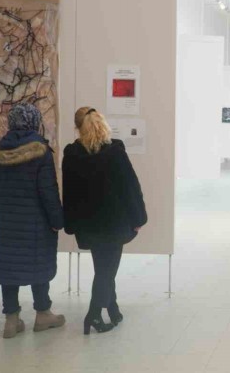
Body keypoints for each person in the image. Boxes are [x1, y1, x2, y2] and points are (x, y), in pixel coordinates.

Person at [0, 103, 65, 338]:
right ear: (34, 122)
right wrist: (57, 220)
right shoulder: (41, 152)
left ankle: (11, 320)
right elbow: (48, 191)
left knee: (9, 268)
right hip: (36, 224)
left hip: (7, 225)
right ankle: (43, 313)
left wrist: (1, 208)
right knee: (39, 265)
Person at [62, 107, 147, 335]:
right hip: (114, 223)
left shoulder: (72, 156)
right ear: (102, 123)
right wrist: (139, 217)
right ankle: (93, 315)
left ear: (78, 128)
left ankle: (113, 308)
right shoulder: (115, 151)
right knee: (106, 271)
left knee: (103, 267)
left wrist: (71, 223)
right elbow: (130, 187)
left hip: (88, 225)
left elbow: (69, 193)